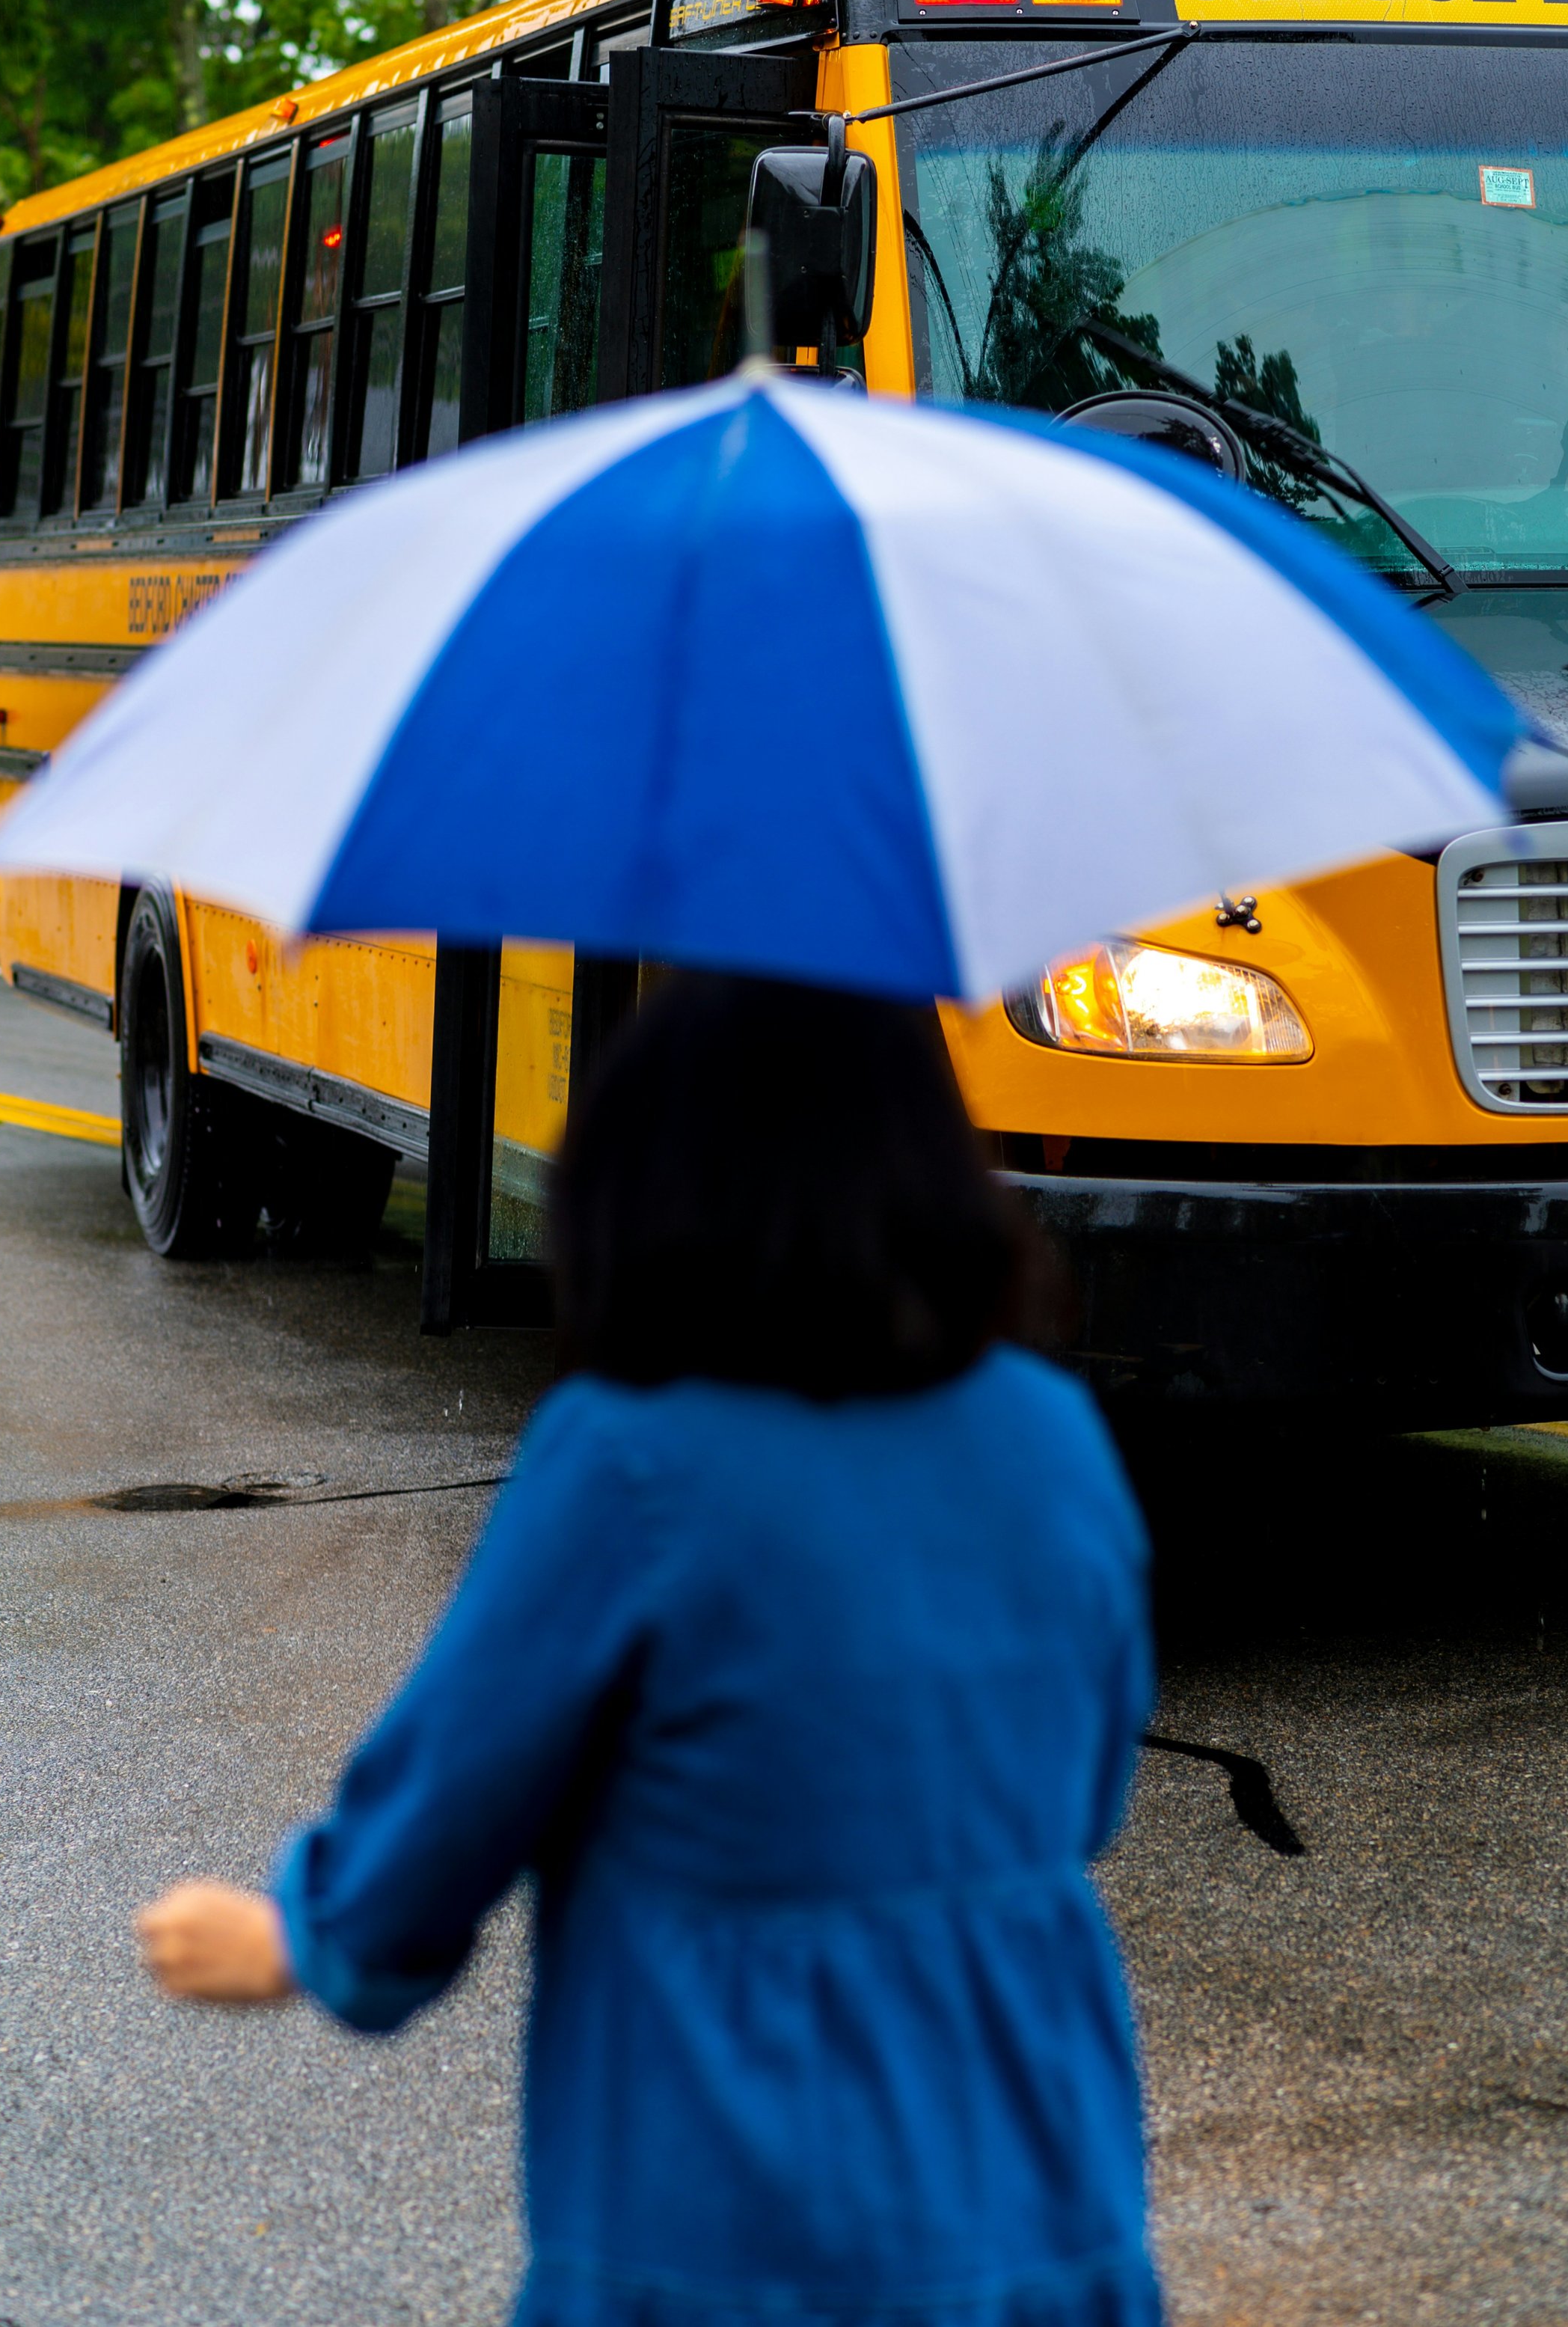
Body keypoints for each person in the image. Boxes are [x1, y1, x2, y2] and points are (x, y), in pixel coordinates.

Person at [138, 975, 1161, 2327]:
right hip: (1043, 2183)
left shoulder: (631, 1460)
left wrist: (304, 1932)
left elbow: (458, 1786)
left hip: (729, 2208)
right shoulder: (1048, 1433)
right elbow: (1081, 1784)